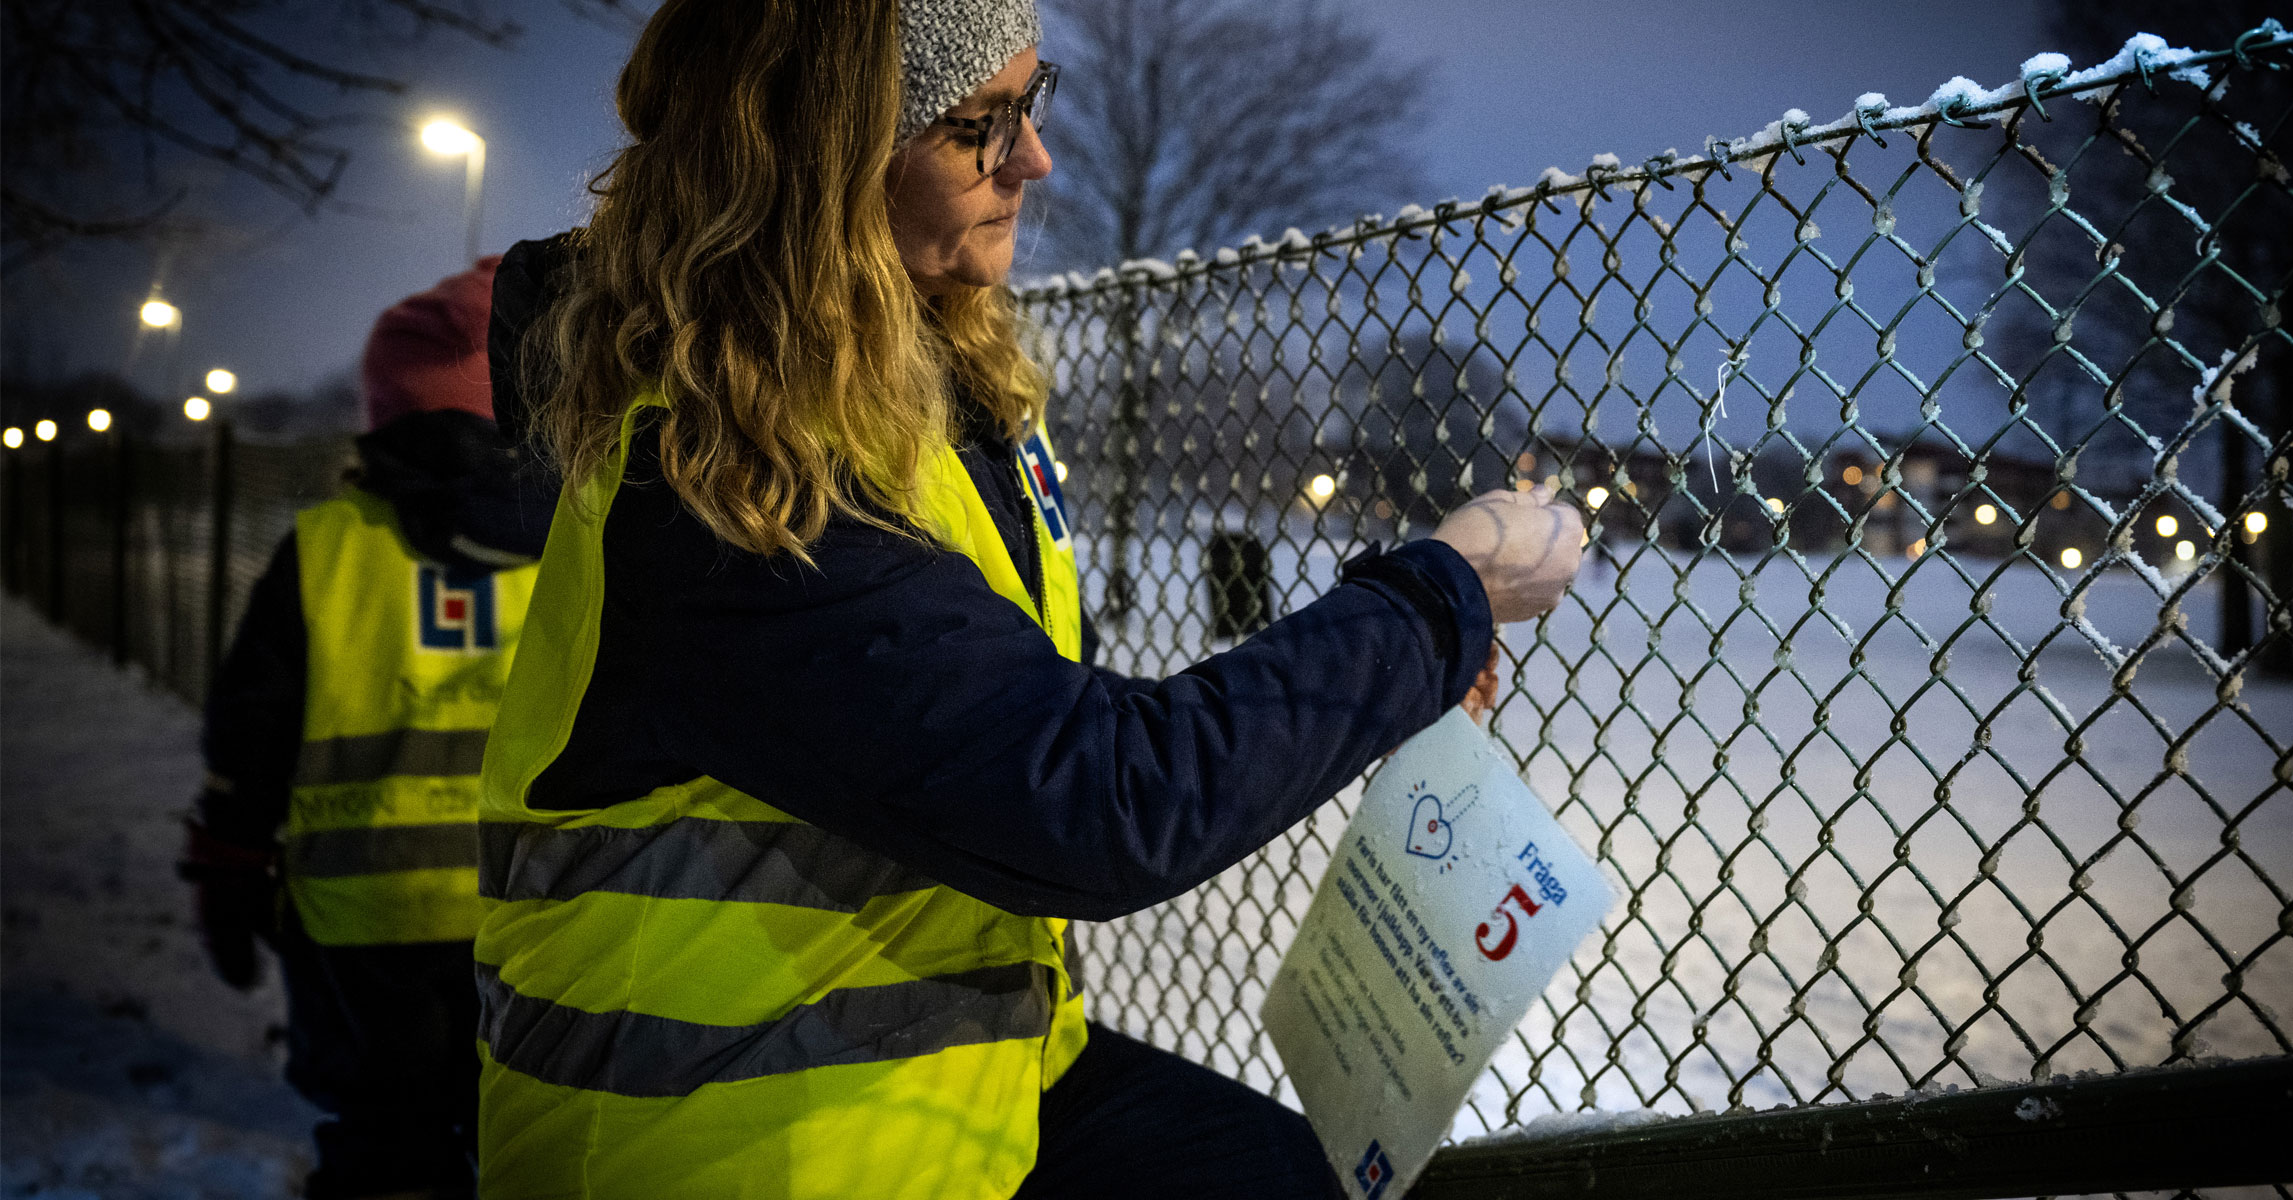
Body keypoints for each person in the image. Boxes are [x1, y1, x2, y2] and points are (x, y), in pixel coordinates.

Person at [473, 1, 1584, 1197]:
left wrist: (1393, 649)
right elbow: (1090, 796)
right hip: (736, 1143)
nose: (1035, 160)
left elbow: (1008, 709)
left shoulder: (924, 393)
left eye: (1030, 102)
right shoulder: (715, 475)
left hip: (961, 1081)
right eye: (973, 126)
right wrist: (1433, 600)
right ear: (814, 158)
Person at [181, 258, 554, 1200]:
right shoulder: (576, 543)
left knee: (385, 1147)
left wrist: (229, 871)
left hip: (360, 927)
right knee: (529, 1139)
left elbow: (251, 742)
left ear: (384, 408)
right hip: (533, 916)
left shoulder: (325, 551)